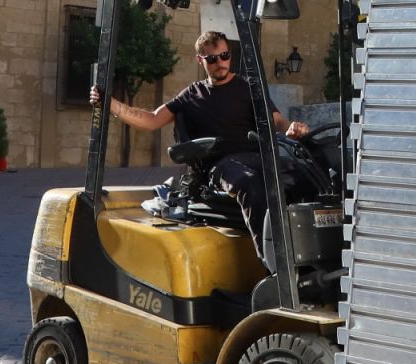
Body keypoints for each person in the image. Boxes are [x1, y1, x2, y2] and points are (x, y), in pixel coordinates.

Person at [100, 31, 308, 254]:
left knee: (307, 177)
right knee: (251, 184)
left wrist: (291, 128)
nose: (220, 63)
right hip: (221, 165)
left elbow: (276, 120)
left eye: (224, 55)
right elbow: (151, 120)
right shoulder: (192, 94)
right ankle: (275, 263)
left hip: (257, 157)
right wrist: (111, 104)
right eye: (212, 59)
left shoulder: (248, 88)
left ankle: (313, 257)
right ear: (200, 60)